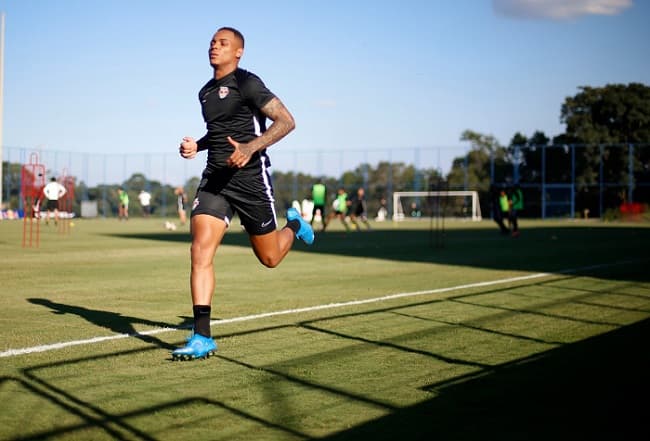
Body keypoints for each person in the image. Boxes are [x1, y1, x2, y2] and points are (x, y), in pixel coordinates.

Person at [174, 26, 314, 360]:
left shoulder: (247, 82)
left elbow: (286, 121)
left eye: (223, 43)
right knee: (199, 251)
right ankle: (202, 336)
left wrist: (251, 148)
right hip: (215, 179)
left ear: (238, 52)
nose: (214, 46)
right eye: (212, 42)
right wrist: (199, 144)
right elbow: (218, 132)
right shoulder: (205, 93)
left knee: (270, 258)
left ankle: (294, 226)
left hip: (251, 179)